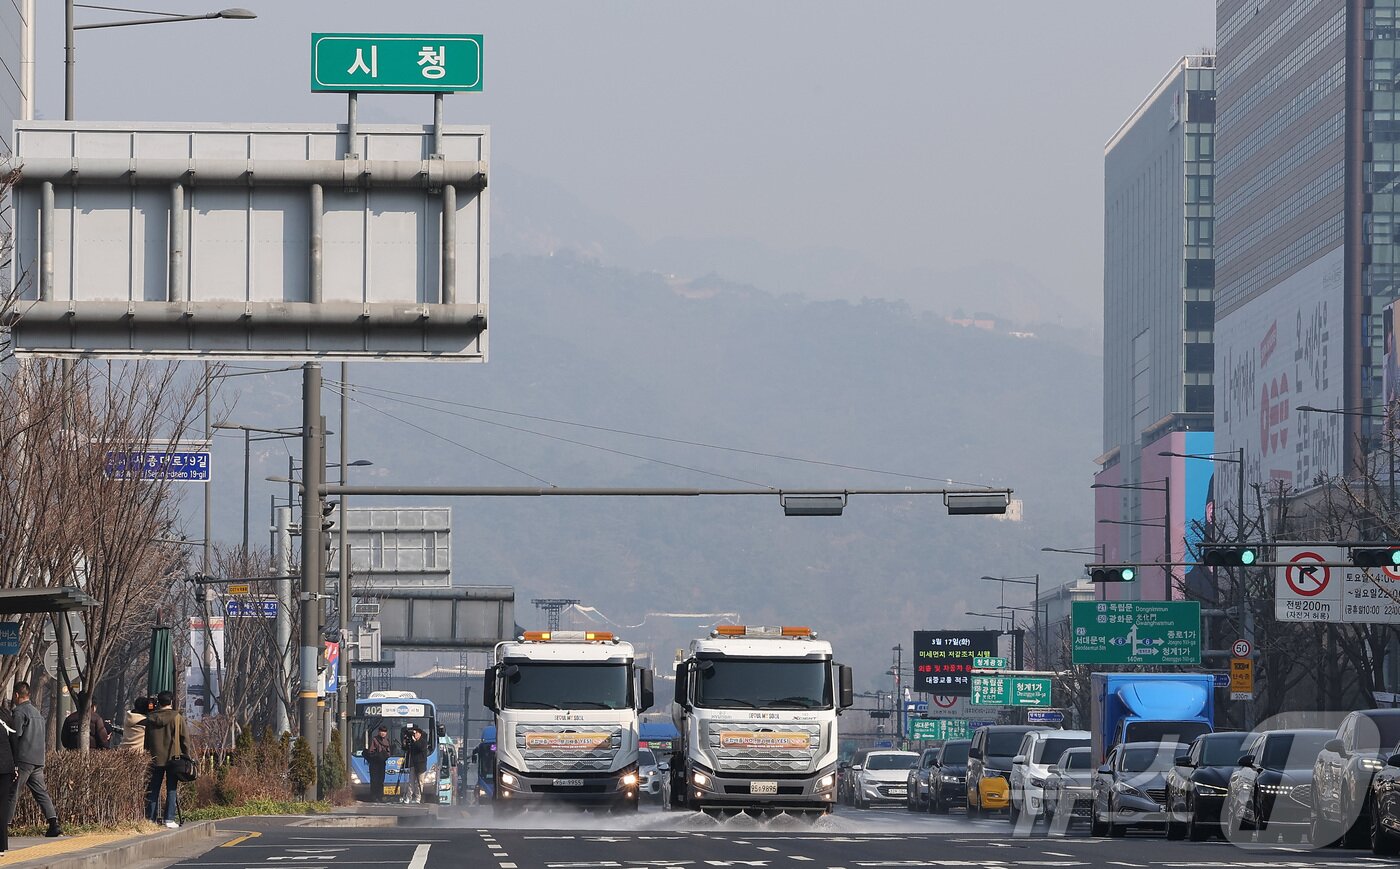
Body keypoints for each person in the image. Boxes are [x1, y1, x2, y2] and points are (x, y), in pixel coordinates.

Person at [3, 682, 59, 837]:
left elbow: (15, 735)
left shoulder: (19, 712)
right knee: (41, 792)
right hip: (38, 759)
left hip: (23, 758)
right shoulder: (37, 713)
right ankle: (53, 823)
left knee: (12, 792)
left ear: (16, 695)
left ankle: (5, 826)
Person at [143, 691, 189, 828]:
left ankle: (150, 819)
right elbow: (185, 739)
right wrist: (186, 755)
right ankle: (169, 819)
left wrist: (147, 754)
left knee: (153, 789)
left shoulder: (150, 718)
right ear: (171, 702)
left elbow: (146, 740)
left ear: (159, 702)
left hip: (154, 758)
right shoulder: (177, 717)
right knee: (171, 788)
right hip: (173, 759)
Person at [0, 704, 18, 856]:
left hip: (5, 766)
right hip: (5, 766)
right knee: (2, 805)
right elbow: (14, 742)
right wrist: (15, 766)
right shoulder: (6, 715)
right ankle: (1, 845)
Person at [364, 725, 392, 803]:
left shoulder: (387, 740)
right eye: (381, 731)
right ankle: (374, 797)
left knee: (381, 781)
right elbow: (370, 751)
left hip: (382, 763)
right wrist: (377, 754)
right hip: (374, 763)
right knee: (374, 781)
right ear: (378, 732)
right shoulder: (374, 739)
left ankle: (380, 796)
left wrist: (385, 755)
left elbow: (389, 752)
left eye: (384, 732)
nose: (383, 733)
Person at [402, 725, 429, 804]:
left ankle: (418, 798)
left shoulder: (423, 741)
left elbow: (419, 747)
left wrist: (414, 741)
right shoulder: (412, 742)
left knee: (419, 783)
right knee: (411, 782)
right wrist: (405, 741)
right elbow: (406, 749)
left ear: (420, 734)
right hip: (413, 764)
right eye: (414, 733)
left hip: (420, 766)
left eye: (416, 733)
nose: (414, 735)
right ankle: (408, 797)